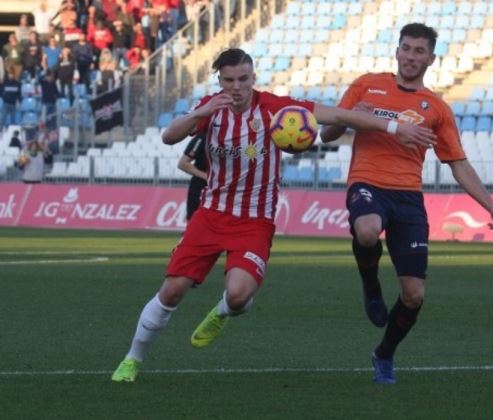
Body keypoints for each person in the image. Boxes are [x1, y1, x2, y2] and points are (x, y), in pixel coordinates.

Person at [111, 47, 437, 383]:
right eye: (229, 80)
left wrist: (396, 128)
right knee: (172, 291)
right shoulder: (211, 108)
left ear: (253, 78)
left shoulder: (275, 109)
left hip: (254, 221)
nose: (236, 87)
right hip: (210, 214)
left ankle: (225, 309)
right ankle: (132, 360)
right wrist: (203, 111)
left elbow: (340, 117)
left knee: (237, 295)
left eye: (243, 79)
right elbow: (169, 137)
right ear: (219, 80)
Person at [320, 23, 493, 385]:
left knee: (413, 296)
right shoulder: (367, 85)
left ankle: (384, 354)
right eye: (406, 48)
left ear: (431, 58)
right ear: (397, 51)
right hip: (367, 183)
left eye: (418, 51)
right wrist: (353, 114)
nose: (410, 56)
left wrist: (491, 206)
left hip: (408, 197)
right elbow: (327, 132)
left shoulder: (436, 108)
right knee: (366, 230)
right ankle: (370, 286)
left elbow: (457, 163)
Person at [178, 134, 208, 221]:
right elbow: (183, 164)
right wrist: (206, 176)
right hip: (200, 188)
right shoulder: (202, 138)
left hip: (222, 190)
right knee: (194, 221)